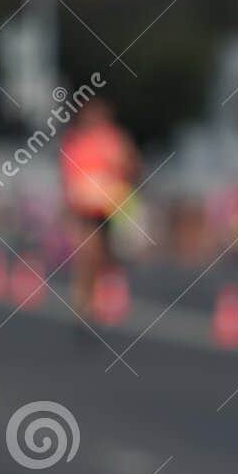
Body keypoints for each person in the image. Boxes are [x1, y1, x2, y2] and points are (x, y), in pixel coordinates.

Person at [58, 99, 139, 328]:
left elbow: (129, 166)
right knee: (86, 252)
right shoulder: (77, 141)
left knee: (102, 254)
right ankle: (82, 301)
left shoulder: (114, 141)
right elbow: (68, 174)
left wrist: (118, 182)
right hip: (83, 207)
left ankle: (96, 297)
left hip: (107, 206)